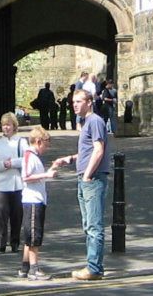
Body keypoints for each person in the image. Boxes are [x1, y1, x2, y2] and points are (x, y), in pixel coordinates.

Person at [57, 88, 111, 281]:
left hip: (93, 179)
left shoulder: (95, 121)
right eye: (73, 102)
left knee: (94, 225)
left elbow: (98, 150)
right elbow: (88, 152)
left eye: (78, 101)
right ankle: (93, 265)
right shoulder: (86, 122)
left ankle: (94, 268)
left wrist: (87, 175)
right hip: (86, 179)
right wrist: (70, 159)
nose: (75, 105)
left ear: (89, 102)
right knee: (88, 225)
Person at [17, 126, 66, 281]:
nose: (47, 148)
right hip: (32, 200)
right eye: (46, 144)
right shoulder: (29, 156)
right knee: (34, 236)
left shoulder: (33, 156)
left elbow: (37, 176)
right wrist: (47, 174)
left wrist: (51, 169)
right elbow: (25, 177)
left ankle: (25, 268)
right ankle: (34, 269)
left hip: (37, 200)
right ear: (38, 142)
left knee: (29, 236)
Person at [0, 112, 26, 253]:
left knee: (16, 214)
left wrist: (13, 163)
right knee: (1, 213)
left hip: (17, 183)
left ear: (14, 126)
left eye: (8, 125)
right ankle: (0, 241)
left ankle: (15, 242)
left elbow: (27, 159)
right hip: (1, 184)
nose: (6, 128)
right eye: (4, 125)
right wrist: (4, 164)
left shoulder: (22, 142)